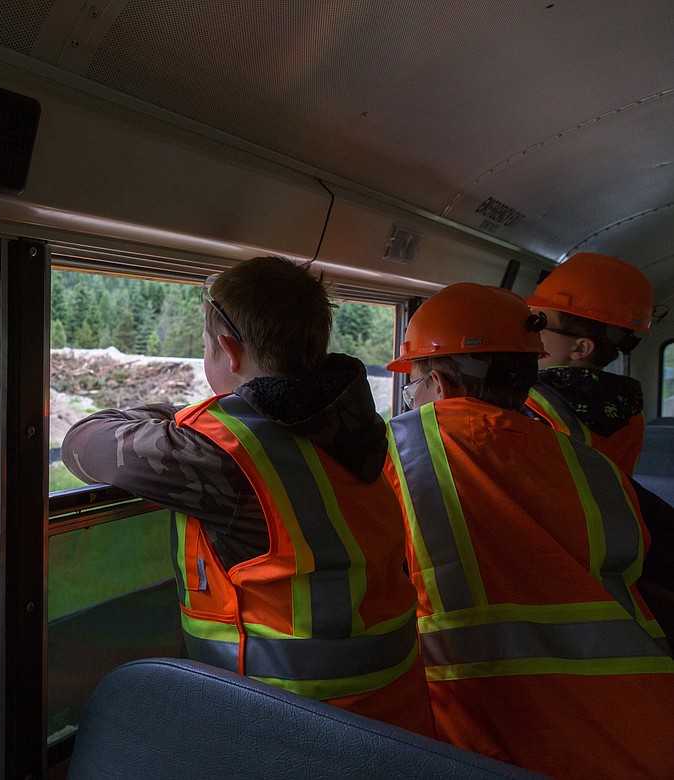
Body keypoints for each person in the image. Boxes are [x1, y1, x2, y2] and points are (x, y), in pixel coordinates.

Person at [61, 256, 433, 736]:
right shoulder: (355, 422)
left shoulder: (226, 449)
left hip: (295, 733)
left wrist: (186, 414)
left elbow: (84, 440)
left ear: (228, 351)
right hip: (396, 717)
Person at [384, 282, 674, 778]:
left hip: (492, 731)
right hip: (642, 727)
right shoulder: (596, 469)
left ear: (443, 385)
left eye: (414, 384)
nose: (410, 399)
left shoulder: (399, 452)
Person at [523, 252, 656, 475]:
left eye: (538, 324)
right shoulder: (631, 411)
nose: (527, 331)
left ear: (580, 348)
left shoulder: (529, 404)